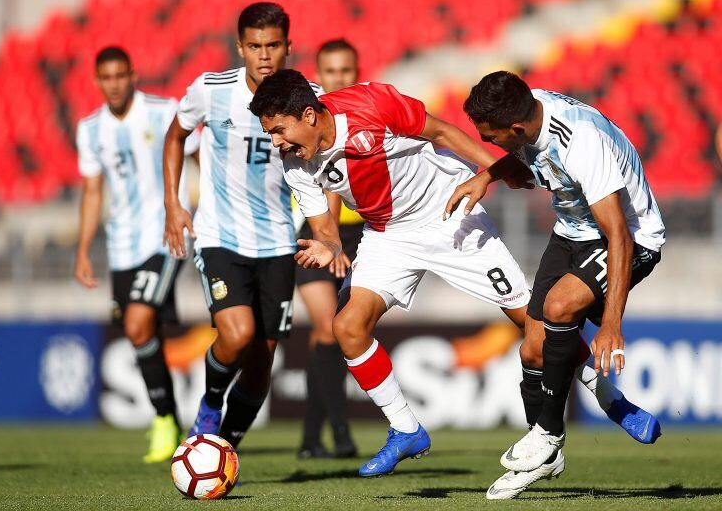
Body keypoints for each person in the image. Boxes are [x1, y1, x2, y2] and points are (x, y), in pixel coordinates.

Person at [250, 68, 533, 477]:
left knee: (531, 319)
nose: (276, 142)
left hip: (449, 215)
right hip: (389, 235)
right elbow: (324, 228)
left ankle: (609, 395)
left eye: (279, 130)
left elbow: (441, 133)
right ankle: (406, 429)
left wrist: (502, 167)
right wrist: (328, 245)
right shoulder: (295, 161)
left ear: (309, 116)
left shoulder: (371, 102)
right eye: (270, 134)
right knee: (348, 327)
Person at [448, 70, 664, 498]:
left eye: (493, 138)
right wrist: (486, 176)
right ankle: (547, 454)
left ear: (516, 128)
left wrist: (612, 326)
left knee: (560, 307)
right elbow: (526, 151)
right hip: (572, 233)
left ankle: (549, 434)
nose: (489, 147)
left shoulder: (583, 142)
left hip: (629, 239)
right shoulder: (532, 106)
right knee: (532, 348)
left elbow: (619, 233)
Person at [162, 2, 320, 448]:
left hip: (278, 243)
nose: (264, 55)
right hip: (220, 237)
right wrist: (174, 204)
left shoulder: (310, 100)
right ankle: (210, 407)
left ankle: (223, 448)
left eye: (273, 45)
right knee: (237, 334)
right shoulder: (211, 91)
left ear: (289, 47)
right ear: (239, 48)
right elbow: (175, 137)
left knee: (260, 362)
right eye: (254, 46)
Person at [74, 46, 198, 463]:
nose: (113, 84)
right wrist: (83, 250)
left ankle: (163, 419)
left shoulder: (164, 111)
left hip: (165, 236)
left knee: (137, 322)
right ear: (98, 80)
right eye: (105, 77)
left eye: (119, 76)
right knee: (146, 333)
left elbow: (199, 156)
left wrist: (193, 208)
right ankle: (172, 421)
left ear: (133, 75)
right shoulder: (90, 129)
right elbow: (93, 191)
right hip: (121, 245)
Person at [296, 39, 362, 460]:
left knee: (337, 334)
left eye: (346, 71)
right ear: (318, 75)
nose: (339, 78)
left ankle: (309, 438)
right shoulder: (307, 117)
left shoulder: (364, 110)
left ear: (357, 72)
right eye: (331, 71)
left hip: (362, 233)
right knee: (326, 328)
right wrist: (329, 239)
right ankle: (340, 434)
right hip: (317, 231)